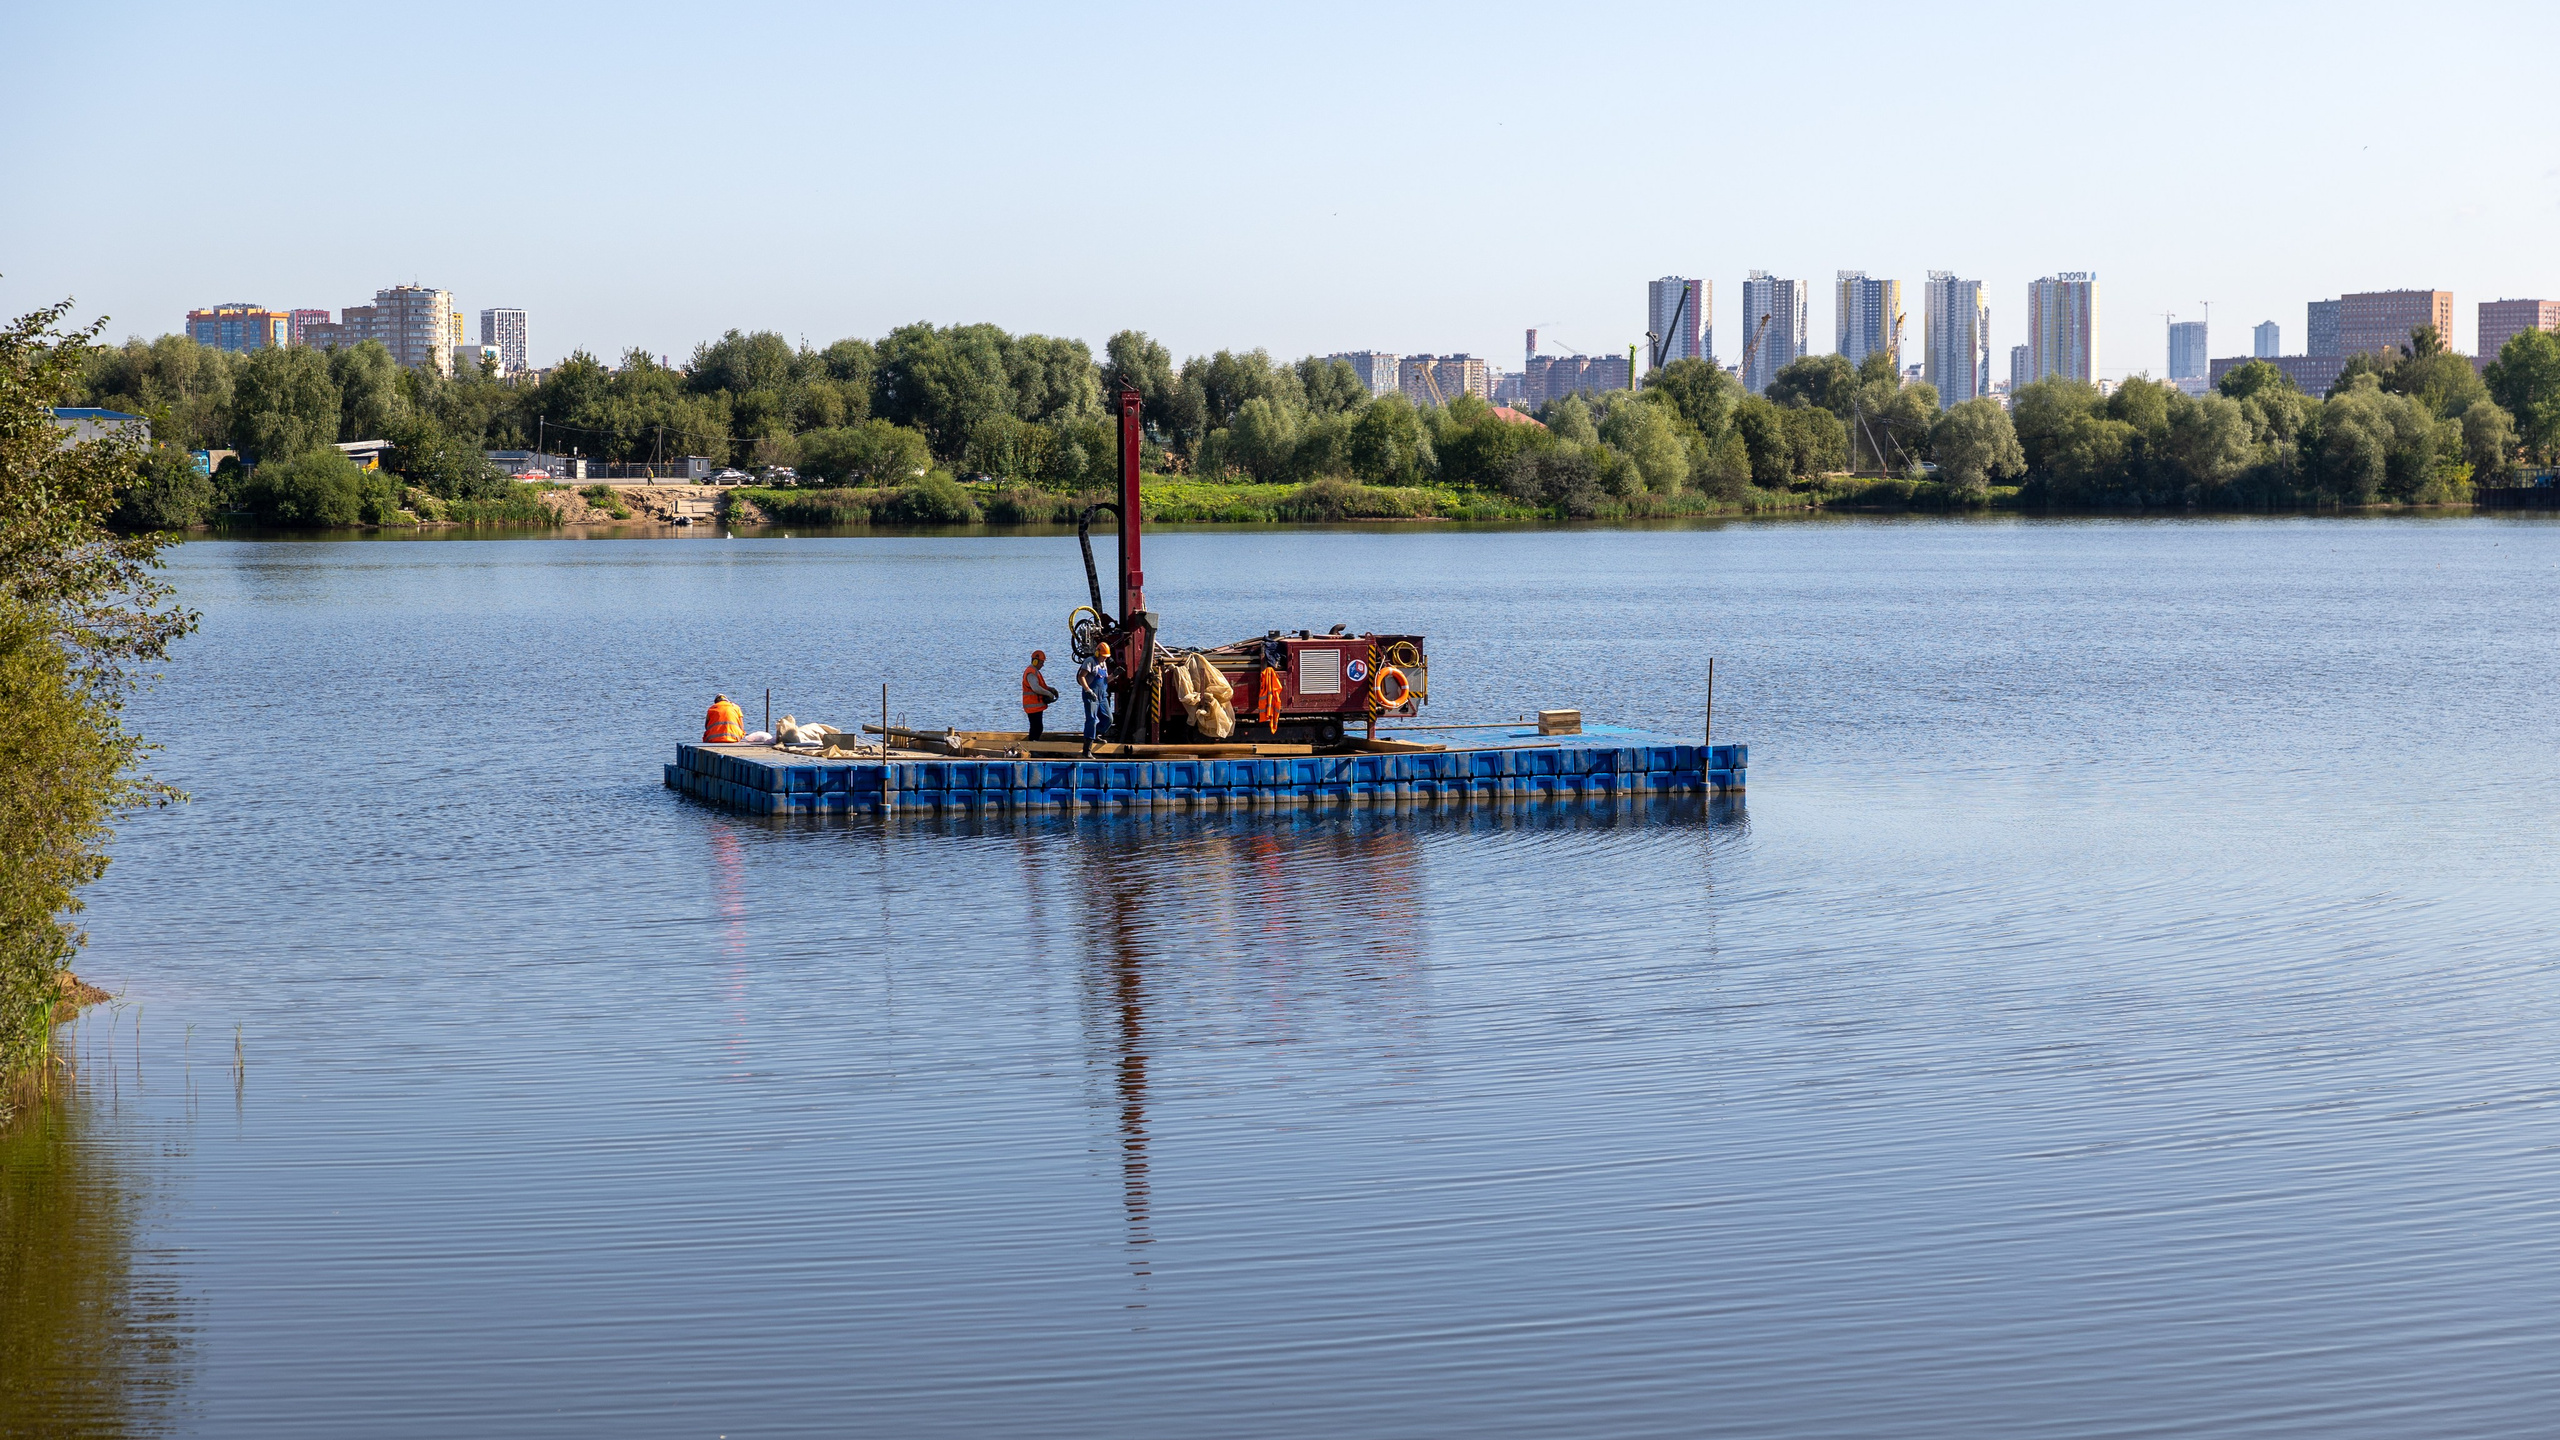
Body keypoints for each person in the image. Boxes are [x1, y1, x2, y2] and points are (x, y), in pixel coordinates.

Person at [1079, 642, 1114, 756]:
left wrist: (1114, 676)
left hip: (1102, 696)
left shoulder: (1104, 665)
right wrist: (1088, 690)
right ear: (1098, 653)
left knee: (1108, 719)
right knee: (1092, 720)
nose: (1105, 658)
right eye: (1103, 656)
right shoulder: (1090, 661)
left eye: (1106, 657)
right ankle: (1087, 750)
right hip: (1091, 695)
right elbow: (1081, 676)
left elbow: (1104, 681)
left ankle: (1097, 734)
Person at [1021, 649, 1060, 740]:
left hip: (1036, 706)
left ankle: (1033, 747)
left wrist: (1050, 689)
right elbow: (1036, 688)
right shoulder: (1031, 673)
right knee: (1036, 728)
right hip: (1032, 706)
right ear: (1035, 661)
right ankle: (1032, 748)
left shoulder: (1034, 671)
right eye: (1042, 662)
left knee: (1037, 727)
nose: (1043, 664)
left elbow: (1040, 686)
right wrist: (1049, 694)